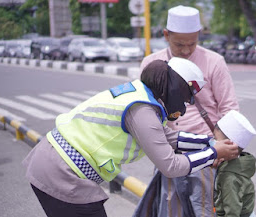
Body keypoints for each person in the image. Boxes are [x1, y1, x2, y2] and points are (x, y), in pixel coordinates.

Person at [22, 57, 240, 217]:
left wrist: (209, 142)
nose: (187, 104)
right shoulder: (142, 110)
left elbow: (168, 137)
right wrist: (213, 154)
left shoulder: (142, 94)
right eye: (187, 96)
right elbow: (171, 166)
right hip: (63, 174)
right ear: (174, 88)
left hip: (54, 163)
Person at [138, 5, 239, 217]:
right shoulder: (152, 64)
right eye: (179, 44)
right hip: (170, 151)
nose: (185, 50)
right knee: (170, 208)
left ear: (199, 35)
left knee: (205, 209)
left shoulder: (214, 62)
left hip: (208, 149)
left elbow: (229, 108)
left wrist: (219, 145)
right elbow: (147, 111)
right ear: (166, 35)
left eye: (192, 43)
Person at [212, 110, 256, 217]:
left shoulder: (229, 176)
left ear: (229, 145)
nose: (213, 143)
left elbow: (232, 209)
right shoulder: (238, 165)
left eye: (215, 139)